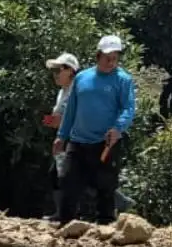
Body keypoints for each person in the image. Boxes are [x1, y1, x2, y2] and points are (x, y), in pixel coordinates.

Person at [54, 35, 136, 225]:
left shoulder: (123, 80)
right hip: (78, 140)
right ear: (98, 55)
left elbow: (128, 108)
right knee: (68, 180)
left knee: (105, 186)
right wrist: (61, 136)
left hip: (105, 142)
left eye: (115, 57)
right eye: (107, 57)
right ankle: (66, 225)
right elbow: (71, 110)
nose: (111, 62)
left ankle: (105, 226)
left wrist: (118, 128)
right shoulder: (82, 78)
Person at [39, 52, 80, 219]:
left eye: (59, 69)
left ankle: (67, 214)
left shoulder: (76, 91)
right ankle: (61, 213)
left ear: (70, 70)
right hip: (63, 137)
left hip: (74, 139)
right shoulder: (63, 91)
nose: (55, 74)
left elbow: (75, 116)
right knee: (56, 175)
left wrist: (59, 121)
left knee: (66, 176)